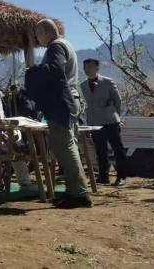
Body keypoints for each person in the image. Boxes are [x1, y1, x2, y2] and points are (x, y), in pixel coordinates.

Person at [30, 18, 91, 208]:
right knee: (68, 146)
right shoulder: (67, 44)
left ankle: (80, 194)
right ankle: (72, 191)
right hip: (72, 100)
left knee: (64, 147)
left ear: (45, 32)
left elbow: (55, 70)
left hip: (62, 102)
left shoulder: (55, 47)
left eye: (38, 35)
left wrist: (33, 72)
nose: (37, 39)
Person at [80, 58, 127, 187]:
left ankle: (121, 177)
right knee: (100, 151)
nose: (87, 69)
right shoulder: (83, 85)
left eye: (90, 66)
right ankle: (103, 177)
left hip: (110, 120)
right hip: (94, 122)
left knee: (118, 149)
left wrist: (115, 115)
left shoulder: (107, 82)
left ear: (97, 68)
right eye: (85, 67)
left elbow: (117, 100)